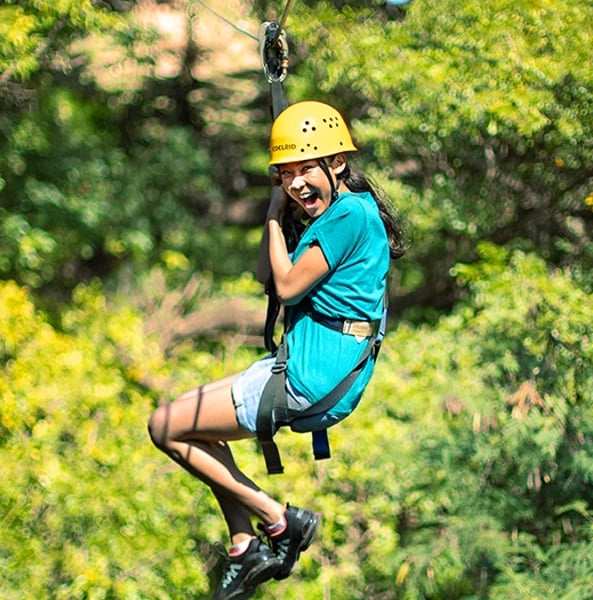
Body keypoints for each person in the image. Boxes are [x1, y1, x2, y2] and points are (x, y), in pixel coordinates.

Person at [148, 100, 406, 600]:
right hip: (309, 368)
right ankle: (244, 545)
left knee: (165, 427)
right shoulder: (342, 212)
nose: (294, 184)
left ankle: (278, 519)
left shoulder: (347, 216)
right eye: (285, 174)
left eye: (305, 169)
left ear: (338, 163)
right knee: (190, 426)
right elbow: (266, 274)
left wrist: (270, 212)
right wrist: (283, 215)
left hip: (310, 376)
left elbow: (285, 287)